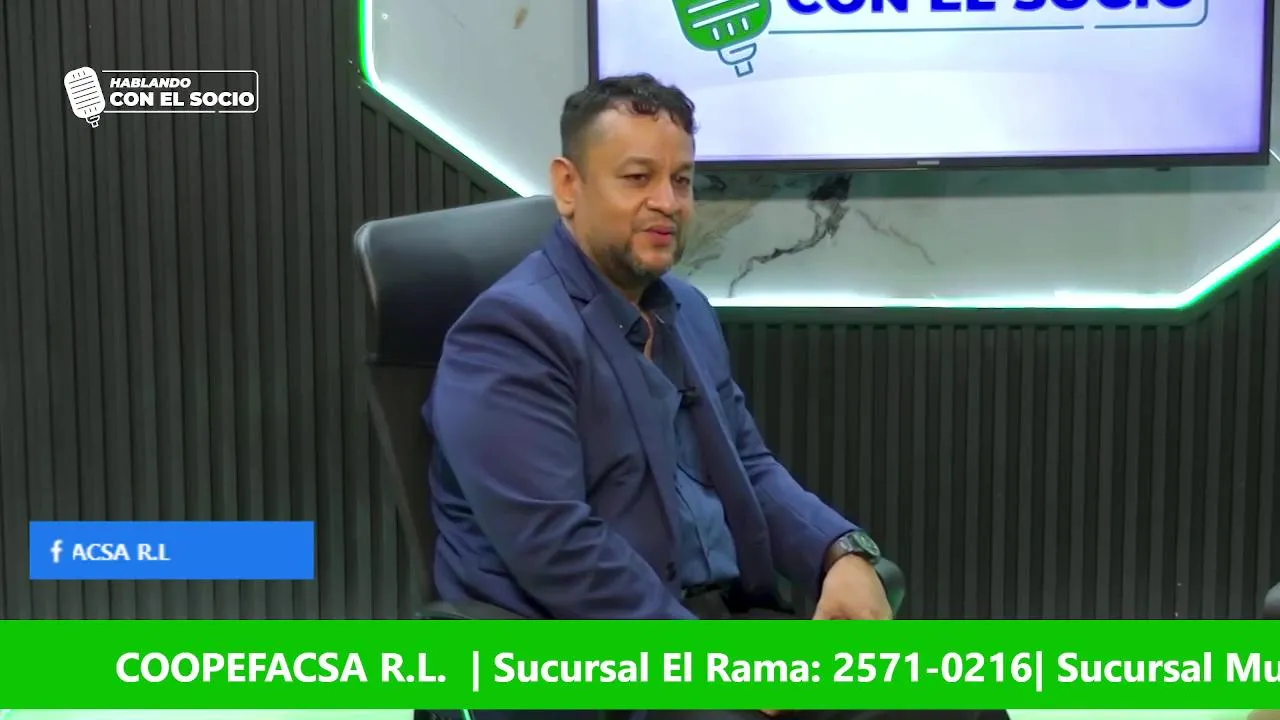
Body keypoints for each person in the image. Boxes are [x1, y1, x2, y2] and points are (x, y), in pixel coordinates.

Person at [424, 73, 1008, 720]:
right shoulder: (509, 334)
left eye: (681, 180)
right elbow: (554, 545)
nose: (667, 202)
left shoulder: (688, 311)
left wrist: (839, 551)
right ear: (569, 185)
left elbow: (750, 467)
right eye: (637, 178)